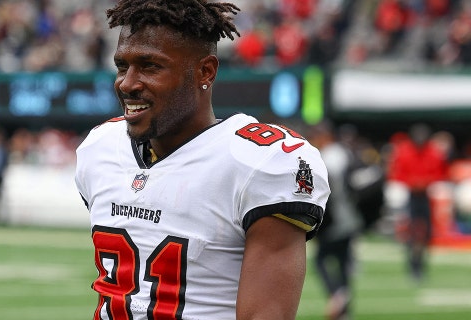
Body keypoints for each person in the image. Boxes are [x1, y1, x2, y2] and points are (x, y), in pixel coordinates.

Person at [74, 1, 330, 319]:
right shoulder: (100, 147)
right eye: (122, 66)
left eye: (150, 66)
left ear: (204, 71)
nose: (127, 83)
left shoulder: (258, 163)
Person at [310, 123, 364, 320]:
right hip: (350, 216)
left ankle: (337, 294)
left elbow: (327, 192)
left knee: (321, 260)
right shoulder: (344, 154)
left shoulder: (327, 156)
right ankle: (345, 309)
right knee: (342, 263)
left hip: (336, 218)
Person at [386, 123, 449, 282]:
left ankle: (421, 264)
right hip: (410, 195)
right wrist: (413, 182)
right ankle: (413, 264)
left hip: (425, 195)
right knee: (411, 230)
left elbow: (440, 173)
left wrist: (424, 182)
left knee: (426, 232)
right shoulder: (404, 151)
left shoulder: (433, 152)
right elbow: (397, 173)